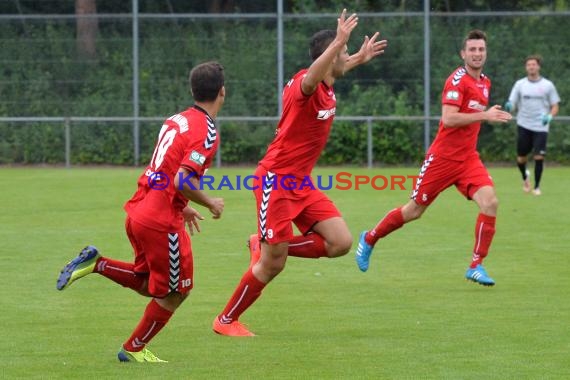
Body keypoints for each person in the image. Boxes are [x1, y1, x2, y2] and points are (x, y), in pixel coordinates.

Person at [212, 9, 388, 337]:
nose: (345, 56)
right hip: (276, 181)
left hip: (300, 184)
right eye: (342, 52)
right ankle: (225, 320)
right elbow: (312, 76)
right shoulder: (304, 85)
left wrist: (357, 58)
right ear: (328, 55)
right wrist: (339, 41)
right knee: (272, 264)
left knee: (340, 242)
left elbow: (334, 69)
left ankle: (262, 244)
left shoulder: (329, 82)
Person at [56, 61, 226, 362]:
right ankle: (132, 349)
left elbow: (165, 168)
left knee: (151, 284)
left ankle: (98, 264)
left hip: (140, 210)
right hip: (161, 222)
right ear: (222, 93)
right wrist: (209, 202)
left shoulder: (176, 119)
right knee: (176, 292)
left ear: (193, 90)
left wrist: (182, 205)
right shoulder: (207, 131)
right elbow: (182, 179)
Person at [355, 29, 512, 286]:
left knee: (490, 202)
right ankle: (370, 238)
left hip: (468, 159)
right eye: (472, 49)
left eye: (481, 49)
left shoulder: (485, 82)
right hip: (442, 159)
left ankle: (476, 265)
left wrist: (484, 117)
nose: (477, 54)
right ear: (463, 53)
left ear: (486, 53)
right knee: (414, 211)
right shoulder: (456, 81)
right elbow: (449, 119)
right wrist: (485, 115)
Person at [504, 55, 560, 196]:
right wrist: (509, 106)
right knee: (521, 159)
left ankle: (536, 187)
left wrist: (549, 117)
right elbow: (512, 103)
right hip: (524, 125)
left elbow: (555, 106)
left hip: (541, 127)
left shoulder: (547, 85)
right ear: (526, 67)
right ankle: (525, 176)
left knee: (538, 157)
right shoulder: (520, 84)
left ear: (538, 66)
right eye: (529, 65)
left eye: (533, 64)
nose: (531, 67)